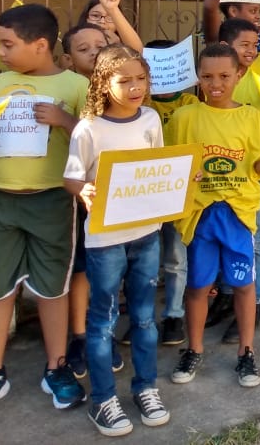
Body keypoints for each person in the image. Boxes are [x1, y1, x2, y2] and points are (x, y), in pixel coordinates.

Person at [0, 4, 88, 418]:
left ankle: (56, 367)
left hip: (50, 200)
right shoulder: (0, 82)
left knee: (52, 288)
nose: (0, 52)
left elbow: (94, 138)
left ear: (40, 45)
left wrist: (64, 119)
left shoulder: (74, 85)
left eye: (8, 44)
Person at [63, 44, 170, 436]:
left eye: (141, 78)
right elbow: (71, 177)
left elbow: (159, 165)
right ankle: (103, 399)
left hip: (147, 233)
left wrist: (180, 177)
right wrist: (82, 190)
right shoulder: (89, 127)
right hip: (106, 239)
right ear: (103, 83)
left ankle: (146, 388)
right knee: (104, 320)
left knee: (144, 317)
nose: (136, 87)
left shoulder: (151, 119)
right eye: (125, 80)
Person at [166, 44, 260, 390]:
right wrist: (184, 176)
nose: (215, 84)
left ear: (239, 75)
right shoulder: (184, 118)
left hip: (238, 214)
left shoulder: (250, 116)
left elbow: (258, 166)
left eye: (223, 76)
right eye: (207, 76)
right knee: (198, 285)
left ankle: (246, 352)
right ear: (197, 77)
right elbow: (171, 164)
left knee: (243, 285)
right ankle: (194, 349)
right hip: (200, 214)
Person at [61, 22, 121, 381]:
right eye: (84, 49)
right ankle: (81, 336)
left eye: (101, 45)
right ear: (68, 59)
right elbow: (84, 138)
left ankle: (105, 331)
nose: (95, 52)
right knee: (81, 268)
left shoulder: (118, 91)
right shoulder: (69, 86)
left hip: (114, 194)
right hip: (79, 194)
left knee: (109, 270)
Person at [218, 17, 260, 342]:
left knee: (255, 238)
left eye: (255, 45)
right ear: (226, 47)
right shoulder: (217, 77)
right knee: (225, 235)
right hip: (221, 173)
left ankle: (252, 301)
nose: (252, 51)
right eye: (246, 45)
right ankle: (227, 296)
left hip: (254, 170)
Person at [144, 39, 200, 347]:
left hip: (179, 191)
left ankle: (174, 315)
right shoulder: (142, 103)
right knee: (145, 260)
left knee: (177, 257)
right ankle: (142, 318)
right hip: (144, 191)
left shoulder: (190, 103)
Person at [76, 0, 143, 52]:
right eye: (95, 16)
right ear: (86, 18)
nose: (102, 21)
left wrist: (112, 9)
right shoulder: (75, 39)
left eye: (110, 17)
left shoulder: (120, 44)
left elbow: (136, 52)